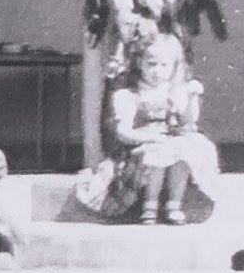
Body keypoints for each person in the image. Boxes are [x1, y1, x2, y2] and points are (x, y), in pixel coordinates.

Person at [73, 33, 220, 224]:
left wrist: (192, 97)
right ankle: (149, 205)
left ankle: (173, 204)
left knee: (187, 149)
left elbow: (189, 123)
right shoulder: (130, 94)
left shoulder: (174, 92)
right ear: (140, 63)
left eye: (164, 65)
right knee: (160, 151)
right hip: (139, 146)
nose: (157, 71)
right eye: (151, 64)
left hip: (170, 141)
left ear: (174, 67)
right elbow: (123, 131)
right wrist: (148, 137)